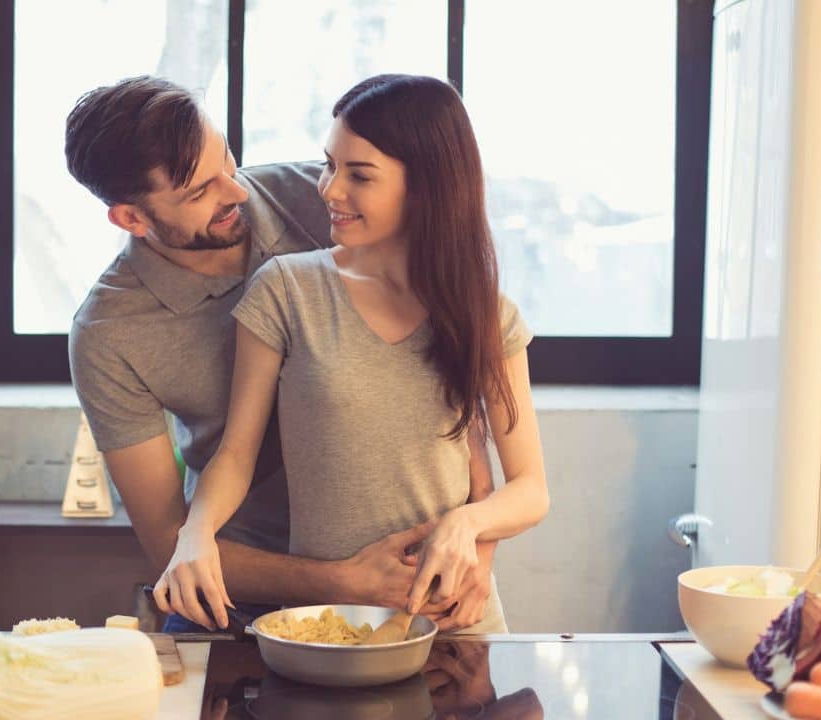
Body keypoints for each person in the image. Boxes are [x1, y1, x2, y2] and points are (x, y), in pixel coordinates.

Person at [65, 76, 501, 632]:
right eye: (201, 193)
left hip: (407, 567)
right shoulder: (108, 333)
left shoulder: (323, 199)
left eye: (227, 162)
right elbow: (168, 544)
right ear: (132, 218)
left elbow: (452, 362)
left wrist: (478, 544)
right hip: (243, 584)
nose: (236, 192)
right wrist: (344, 579)